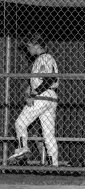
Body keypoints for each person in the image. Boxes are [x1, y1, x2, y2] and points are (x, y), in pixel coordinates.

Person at [8, 33, 59, 167]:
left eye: (29, 47)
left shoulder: (44, 58)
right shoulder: (44, 58)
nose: (28, 50)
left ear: (37, 46)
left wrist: (34, 93)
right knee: (48, 134)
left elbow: (49, 79)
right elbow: (44, 79)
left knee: (20, 123)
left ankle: (22, 149)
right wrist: (30, 88)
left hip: (42, 97)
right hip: (50, 97)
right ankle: (54, 165)